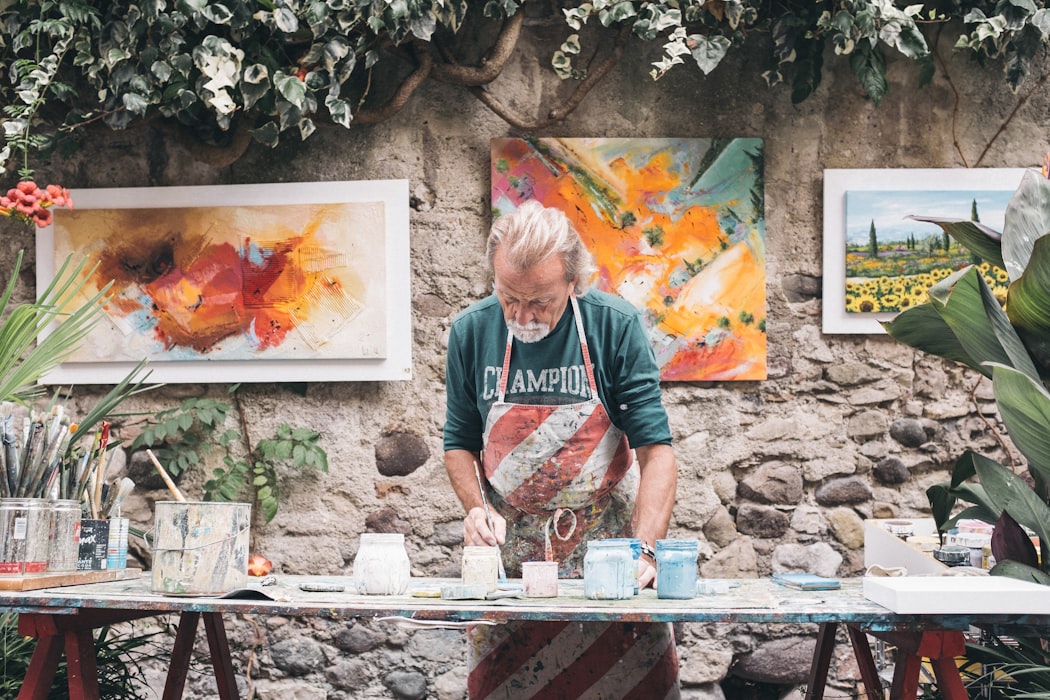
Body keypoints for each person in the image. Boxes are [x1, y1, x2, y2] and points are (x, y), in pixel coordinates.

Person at [443, 199, 681, 698]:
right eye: (509, 297)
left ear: (574, 281)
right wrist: (475, 509)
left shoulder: (613, 326)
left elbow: (656, 450)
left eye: (540, 301)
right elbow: (459, 443)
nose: (522, 316)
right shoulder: (471, 331)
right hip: (513, 570)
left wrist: (646, 551)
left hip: (611, 562)